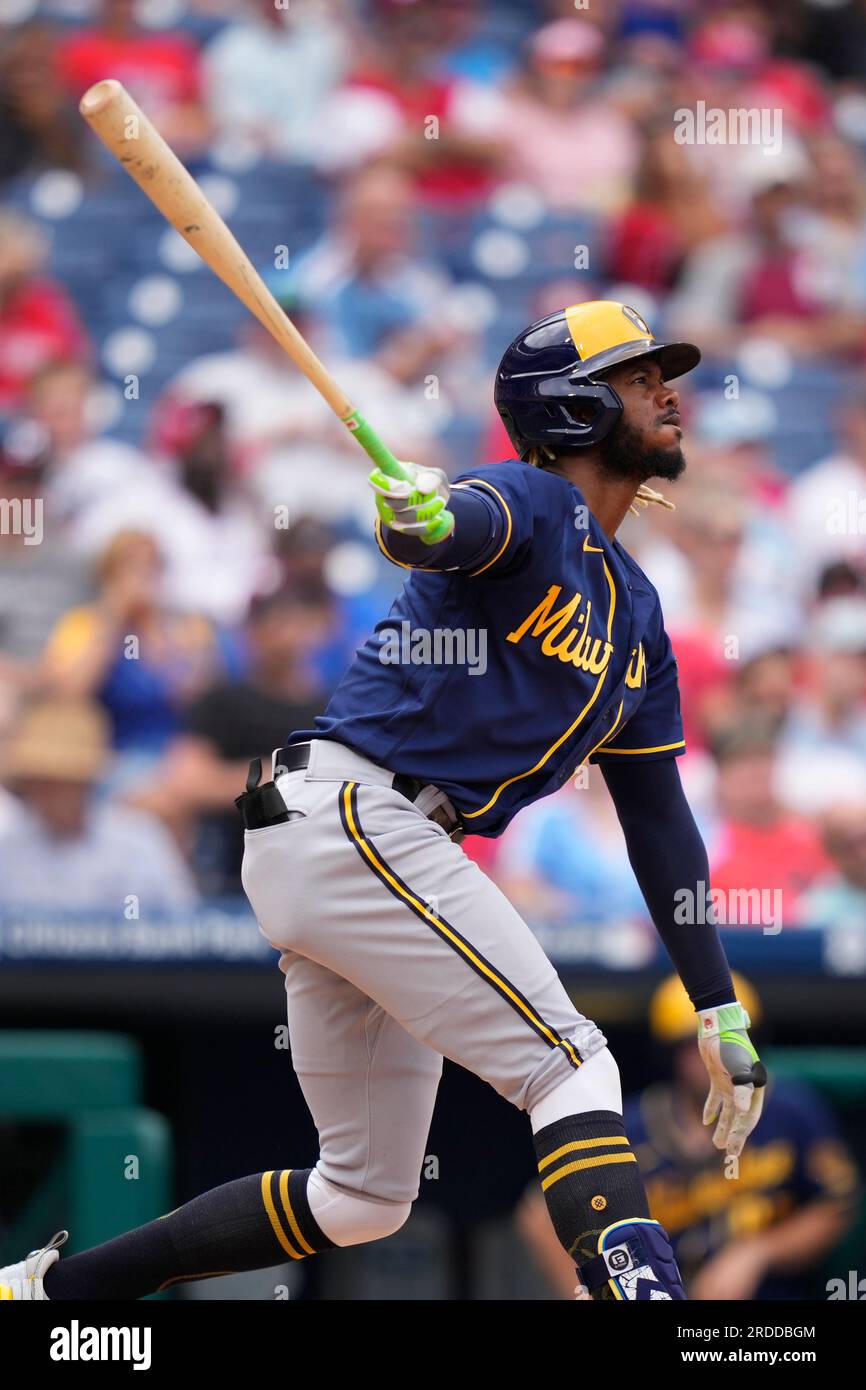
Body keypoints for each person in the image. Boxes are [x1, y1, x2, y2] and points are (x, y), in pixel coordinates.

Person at [0, 300, 766, 1303]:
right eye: (636, 378)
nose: (667, 393)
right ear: (573, 408)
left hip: (358, 843)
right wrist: (425, 520)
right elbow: (459, 528)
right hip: (358, 816)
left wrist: (714, 1001)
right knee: (570, 1059)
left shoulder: (637, 612)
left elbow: (658, 817)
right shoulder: (532, 504)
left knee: (362, 1194)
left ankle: (48, 1293)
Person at [517, 975, 859, 1300]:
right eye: (698, 1048)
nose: (717, 1061)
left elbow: (836, 1205)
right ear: (672, 1054)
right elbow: (538, 1215)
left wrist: (759, 1252)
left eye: (731, 1044)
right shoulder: (630, 1127)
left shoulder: (790, 1110)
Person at [0, 697, 198, 916]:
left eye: (63, 781)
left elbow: (184, 925)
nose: (50, 794)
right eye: (41, 781)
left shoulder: (139, 840)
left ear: (86, 783)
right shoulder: (7, 848)